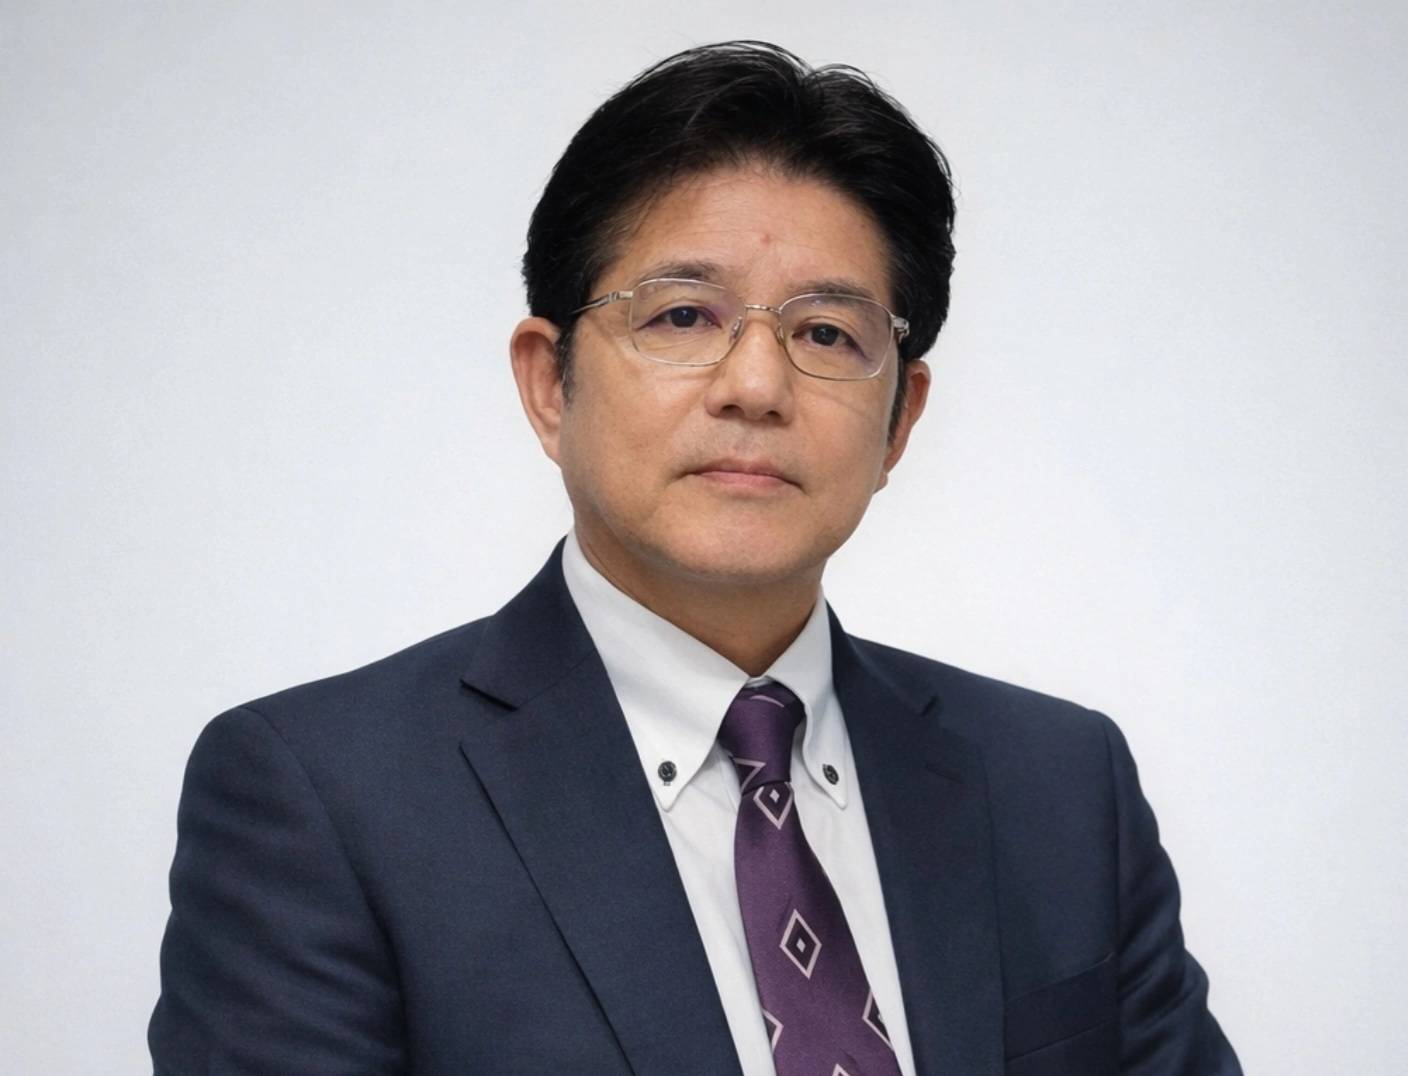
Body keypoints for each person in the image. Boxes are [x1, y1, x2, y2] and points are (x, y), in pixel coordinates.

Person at [149, 41, 1241, 1076]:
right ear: (549, 383)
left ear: (899, 421)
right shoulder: (325, 799)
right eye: (682, 316)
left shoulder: (1059, 787)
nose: (755, 386)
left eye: (826, 334)